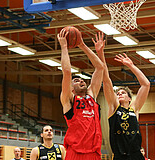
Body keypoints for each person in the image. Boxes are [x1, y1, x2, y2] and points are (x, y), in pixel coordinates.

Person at [95, 32, 150, 160]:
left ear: (129, 98)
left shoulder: (134, 109)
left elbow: (146, 84)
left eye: (123, 93)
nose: (119, 94)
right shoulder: (114, 107)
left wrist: (131, 65)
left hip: (136, 154)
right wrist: (100, 53)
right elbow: (106, 80)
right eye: (118, 93)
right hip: (120, 156)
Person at [58, 29, 104, 160]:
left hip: (94, 153)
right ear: (71, 89)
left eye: (82, 79)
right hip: (75, 153)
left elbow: (100, 67)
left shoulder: (92, 96)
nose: (81, 81)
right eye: (76, 81)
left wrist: (82, 44)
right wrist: (64, 47)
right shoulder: (69, 100)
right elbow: (67, 72)